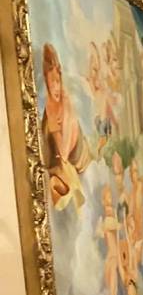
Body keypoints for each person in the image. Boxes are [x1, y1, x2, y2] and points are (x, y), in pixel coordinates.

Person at [40, 43, 91, 212]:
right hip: (60, 156)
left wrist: (62, 158)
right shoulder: (49, 106)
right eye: (51, 83)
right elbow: (54, 140)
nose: (55, 87)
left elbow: (65, 147)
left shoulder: (66, 103)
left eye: (57, 81)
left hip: (76, 153)